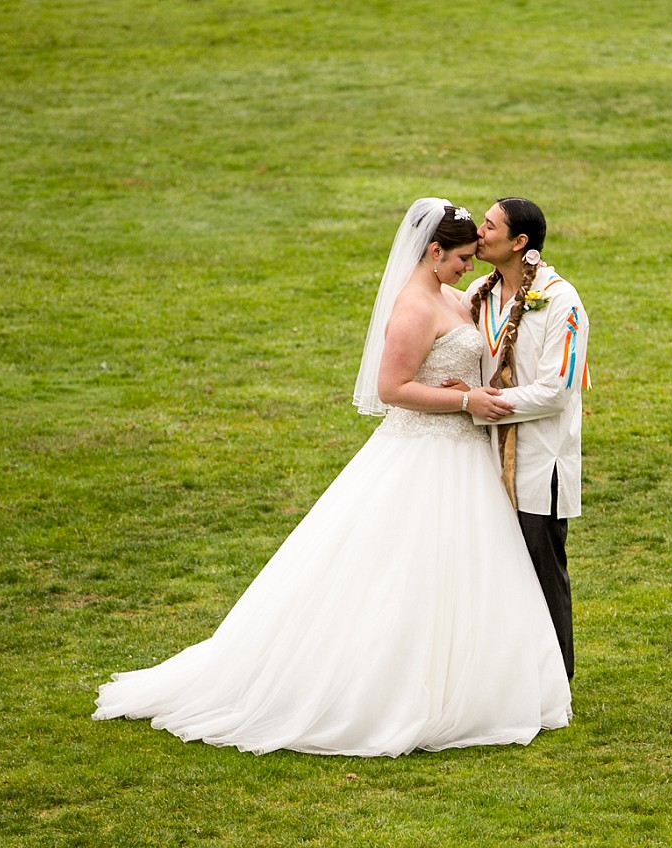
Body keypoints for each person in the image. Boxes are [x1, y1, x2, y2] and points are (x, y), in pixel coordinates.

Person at [93, 198, 571, 754]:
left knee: (465, 568)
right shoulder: (416, 306)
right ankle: (392, 689)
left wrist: (459, 392)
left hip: (464, 457)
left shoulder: (455, 295)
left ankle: (475, 681)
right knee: (402, 572)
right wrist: (465, 399)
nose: (471, 266)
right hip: (426, 456)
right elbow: (392, 389)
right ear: (434, 251)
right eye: (462, 257)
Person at [462, 198, 587, 678]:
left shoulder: (561, 300)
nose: (480, 231)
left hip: (540, 460)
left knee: (541, 573)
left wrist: (486, 406)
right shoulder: (479, 291)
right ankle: (501, 677)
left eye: (490, 226)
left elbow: (558, 390)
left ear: (520, 243)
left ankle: (557, 680)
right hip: (479, 456)